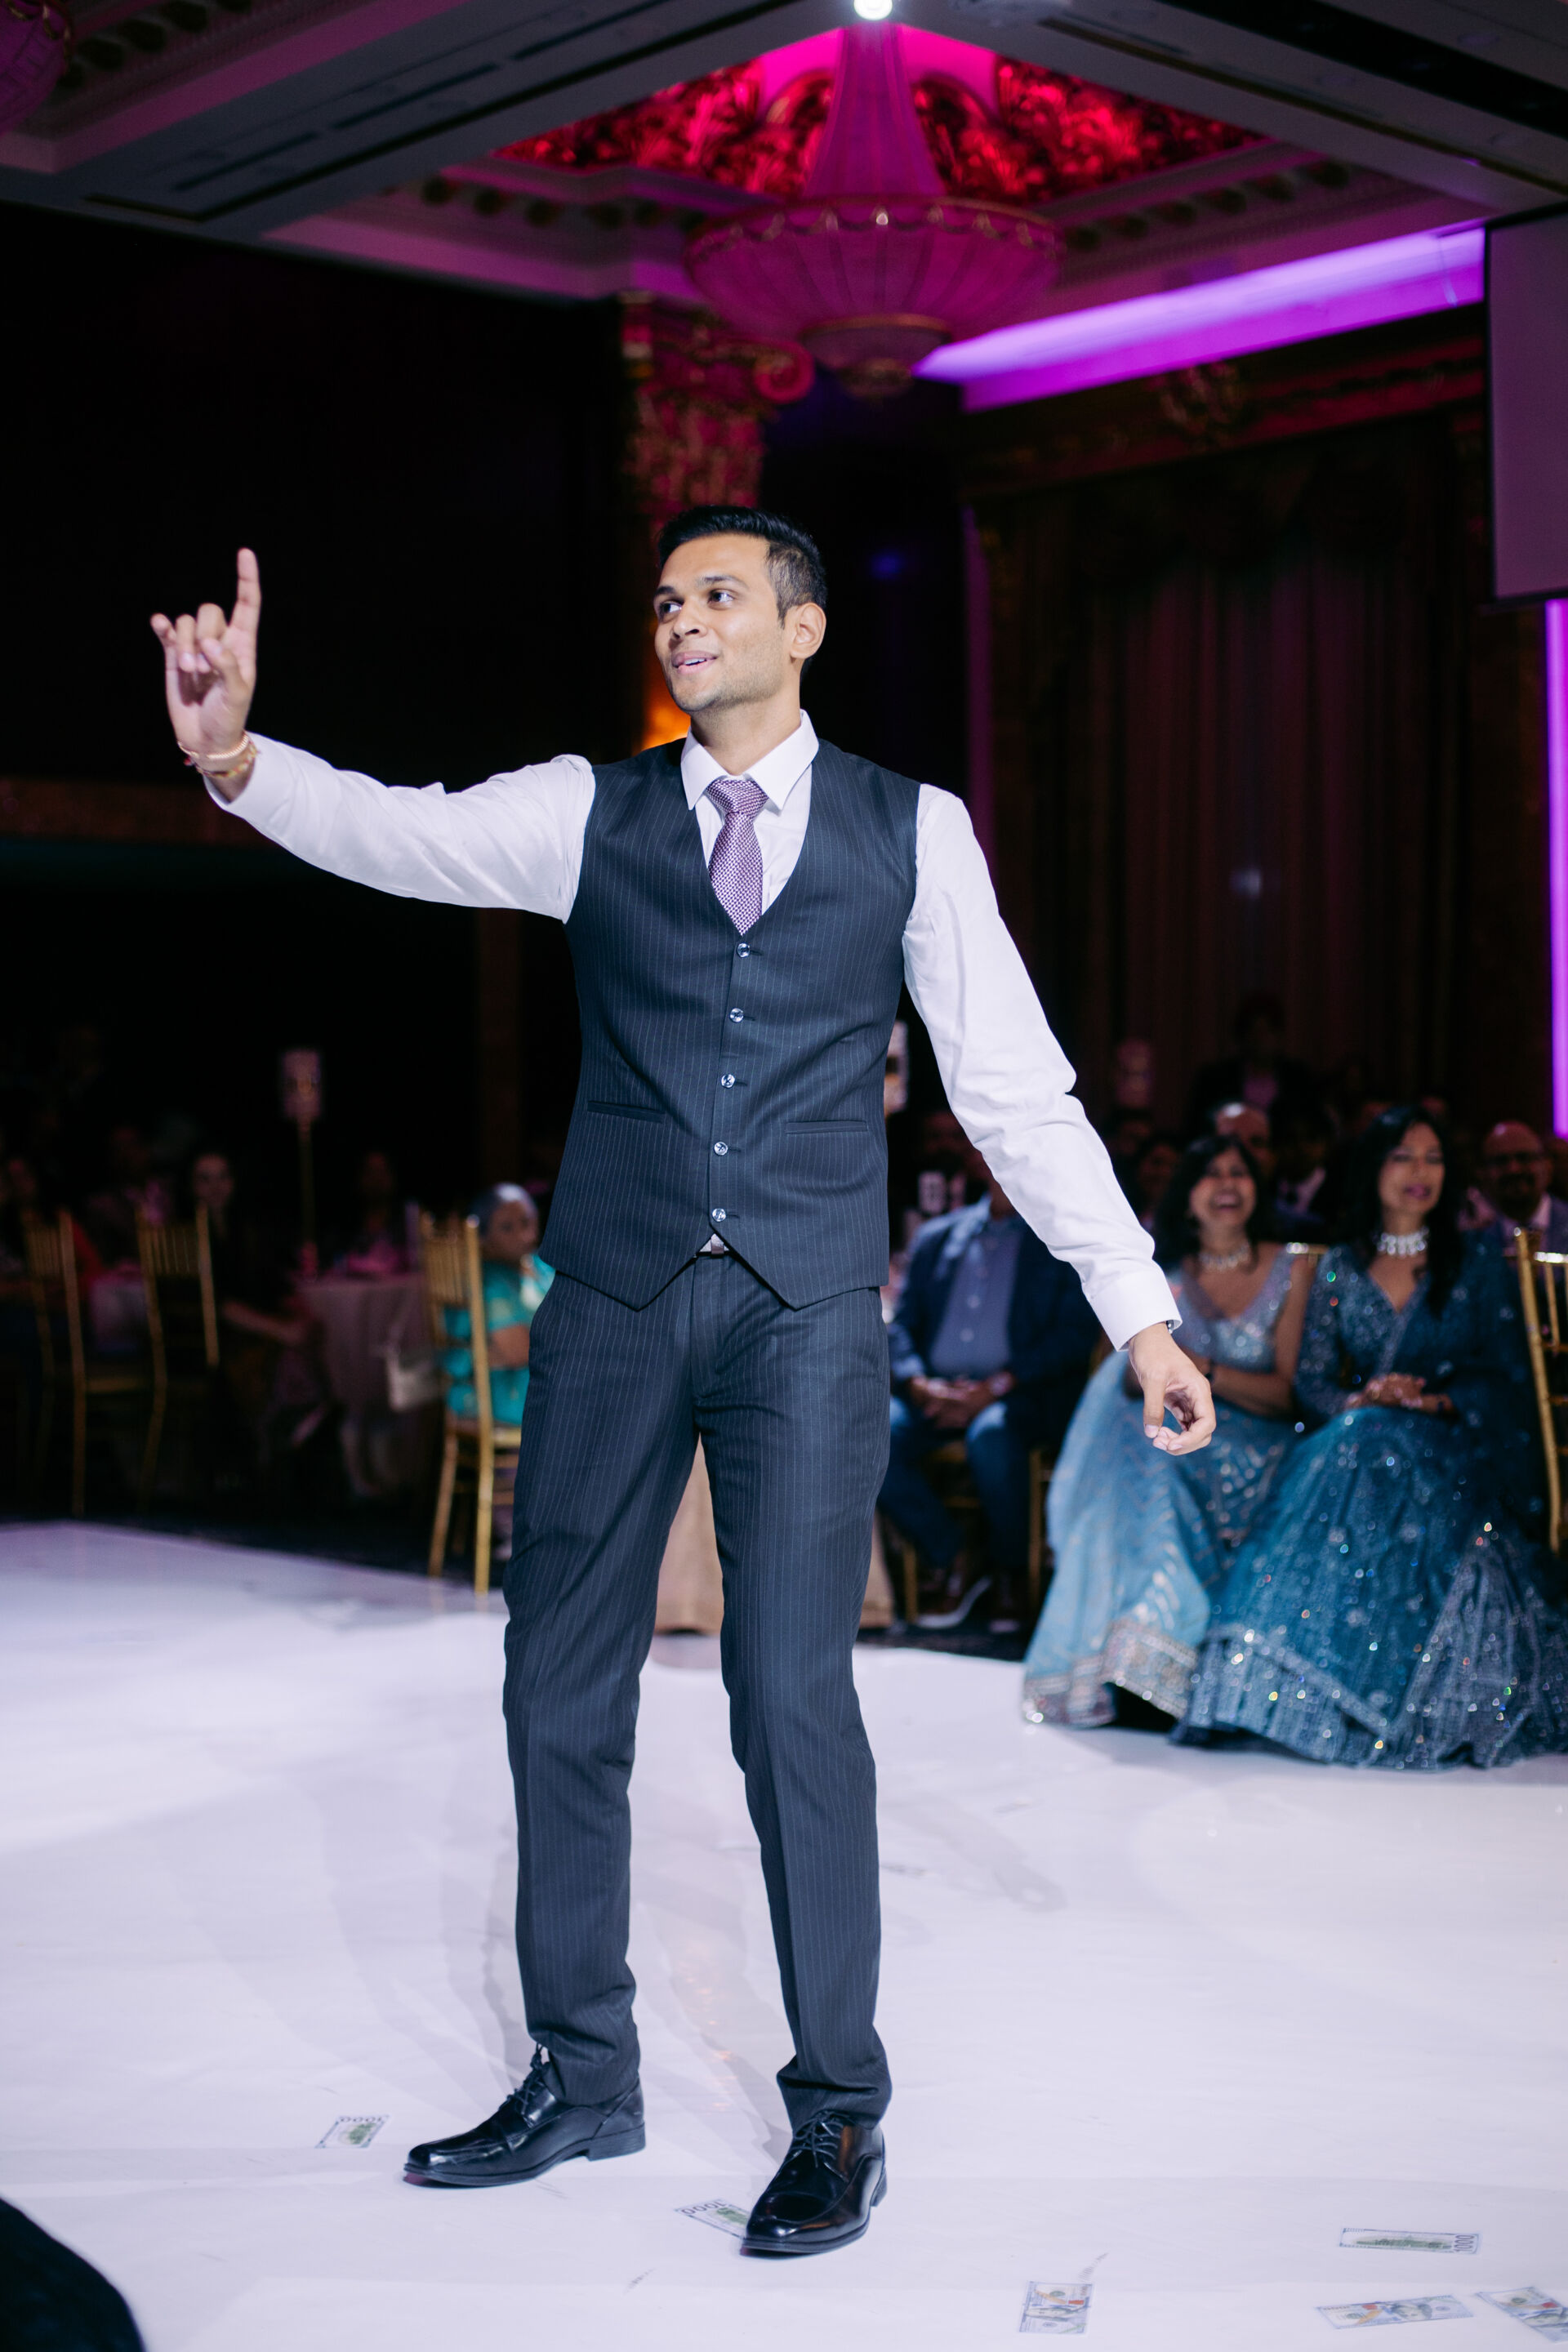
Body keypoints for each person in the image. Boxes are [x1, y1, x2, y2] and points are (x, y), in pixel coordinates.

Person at [152, 518, 1209, 2257]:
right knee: (557, 1687)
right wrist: (238, 759)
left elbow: (1015, 1092)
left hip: (805, 1318)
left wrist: (1140, 1311)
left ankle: (840, 2109)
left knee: (791, 1699)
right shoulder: (591, 808)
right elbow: (402, 833)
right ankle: (583, 2073)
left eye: (720, 595)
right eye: (667, 601)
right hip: (616, 1303)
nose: (684, 620)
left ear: (804, 626)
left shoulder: (912, 829)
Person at [1177, 1107, 1568, 1768]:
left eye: (1434, 1158)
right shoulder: (1339, 1266)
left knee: (1363, 1442)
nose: (1421, 1172)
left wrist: (1431, 1400)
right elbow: (1312, 1383)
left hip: (1454, 1448)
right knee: (1358, 1438)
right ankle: (1277, 1694)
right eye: (1403, 1157)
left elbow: (1508, 1379)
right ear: (1374, 1169)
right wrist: (1364, 1399)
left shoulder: (1474, 1262)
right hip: (1359, 1441)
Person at [1023, 1136, 1312, 1726]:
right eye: (1210, 1174)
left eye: (1239, 1172)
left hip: (1263, 1439)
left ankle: (1167, 1670)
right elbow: (1133, 1379)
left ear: (1258, 1188)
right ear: (1187, 1196)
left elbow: (1286, 1394)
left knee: (1162, 1453)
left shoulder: (1293, 1267)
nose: (1226, 1185)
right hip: (1176, 1441)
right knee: (1149, 1448)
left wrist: (1201, 1371)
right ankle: (1145, 1664)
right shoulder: (1161, 1277)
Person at [880, 1154, 1099, 1633]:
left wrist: (995, 1387)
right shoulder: (938, 1236)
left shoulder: (1059, 1240)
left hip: (1018, 1396)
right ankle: (954, 1555)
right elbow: (902, 1325)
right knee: (871, 1434)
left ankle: (1009, 1573)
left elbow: (1073, 1336)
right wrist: (918, 1383)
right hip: (936, 1393)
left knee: (991, 1436)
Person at [441, 1183, 555, 1426]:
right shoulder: (487, 1280)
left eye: (527, 1222)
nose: (523, 1234)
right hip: (502, 1392)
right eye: (507, 1228)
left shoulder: (541, 1267)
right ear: (483, 1237)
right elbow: (520, 1350)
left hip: (539, 1377)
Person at [1184, 992, 1319, 1136]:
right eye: (1253, 1031)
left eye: (1267, 1031)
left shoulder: (1298, 1078)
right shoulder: (1215, 1079)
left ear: (1280, 1035)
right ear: (1241, 1035)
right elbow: (1196, 1129)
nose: (1260, 1039)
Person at [1468, 1120, 1568, 1257]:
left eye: (1524, 1158)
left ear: (1547, 1166)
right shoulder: (1472, 1244)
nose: (1513, 1169)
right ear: (1482, 1173)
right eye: (1501, 1161)